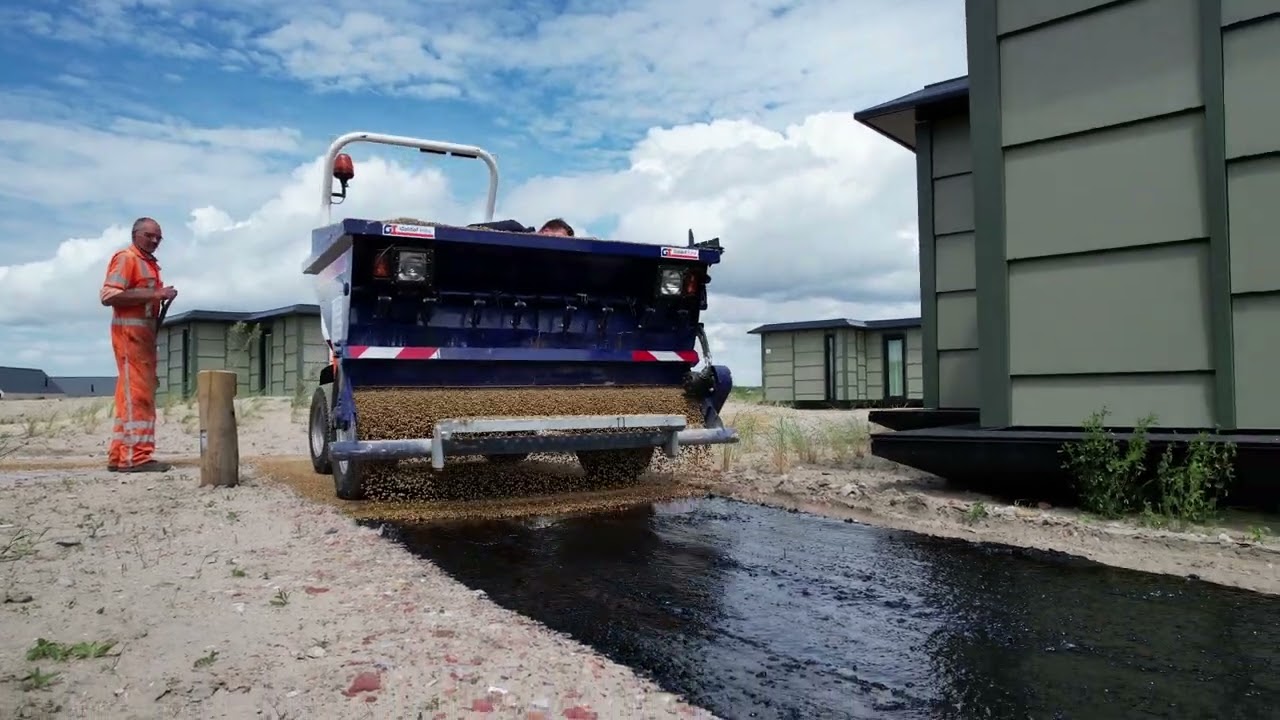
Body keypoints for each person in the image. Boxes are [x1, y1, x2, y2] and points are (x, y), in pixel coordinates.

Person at [99, 217, 178, 473]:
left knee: (128, 397)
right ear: (135, 234)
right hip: (130, 337)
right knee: (139, 396)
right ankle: (137, 457)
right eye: (149, 235)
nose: (154, 241)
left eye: (158, 237)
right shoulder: (127, 258)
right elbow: (109, 295)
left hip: (142, 338)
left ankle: (120, 455)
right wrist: (156, 294)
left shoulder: (148, 263)